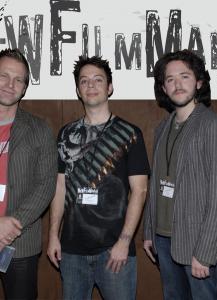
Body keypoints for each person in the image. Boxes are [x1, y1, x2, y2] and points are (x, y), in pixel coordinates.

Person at [47, 55, 150, 300]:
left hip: (114, 251)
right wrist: (53, 235)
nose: (91, 85)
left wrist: (124, 242)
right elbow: (59, 187)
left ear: (109, 87)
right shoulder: (66, 133)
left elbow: (140, 191)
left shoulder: (130, 133)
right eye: (84, 81)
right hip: (71, 253)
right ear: (78, 90)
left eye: (97, 80)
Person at [143, 49, 217, 299]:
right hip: (164, 240)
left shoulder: (214, 125)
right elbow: (157, 184)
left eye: (184, 76)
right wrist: (149, 231)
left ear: (199, 81)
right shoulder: (163, 127)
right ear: (163, 87)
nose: (177, 84)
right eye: (170, 79)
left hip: (200, 244)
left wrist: (205, 253)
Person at [0, 48, 57, 299]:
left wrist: (9, 226)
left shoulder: (39, 129)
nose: (10, 85)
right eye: (4, 76)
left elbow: (46, 184)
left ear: (24, 88)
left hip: (19, 242)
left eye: (19, 79)